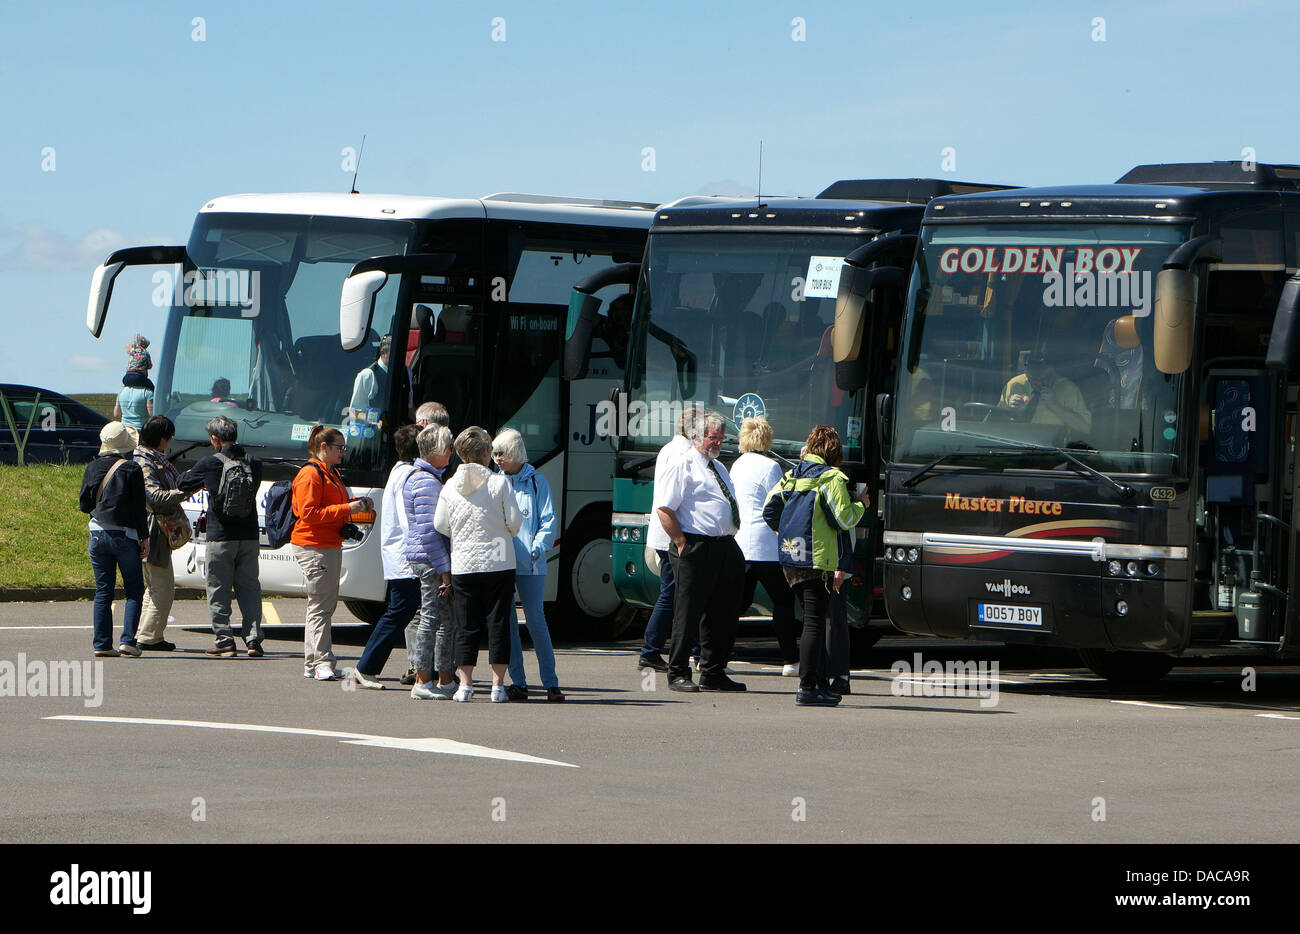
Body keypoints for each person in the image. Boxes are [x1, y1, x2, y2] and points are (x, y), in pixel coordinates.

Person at [763, 425, 869, 707]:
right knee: (814, 622)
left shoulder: (793, 473)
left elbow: (769, 509)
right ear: (834, 451)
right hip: (817, 558)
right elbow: (843, 519)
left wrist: (784, 532)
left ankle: (819, 683)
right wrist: (861, 505)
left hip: (789, 557)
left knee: (811, 619)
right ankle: (808, 687)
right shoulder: (832, 477)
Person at [656, 411, 746, 693]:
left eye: (720, 437)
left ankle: (714, 670)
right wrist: (681, 542)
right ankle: (678, 671)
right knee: (688, 611)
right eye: (712, 436)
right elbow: (664, 508)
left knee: (724, 612)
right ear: (697, 436)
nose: (717, 442)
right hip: (695, 544)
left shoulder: (718, 467)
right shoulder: (683, 465)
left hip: (723, 544)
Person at [433, 426, 522, 702]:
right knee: (498, 623)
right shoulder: (500, 483)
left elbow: (440, 524)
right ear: (486, 453)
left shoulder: (449, 486)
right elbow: (516, 523)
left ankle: (466, 685)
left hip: (463, 564)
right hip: (499, 563)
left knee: (466, 623)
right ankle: (498, 686)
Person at [178, 415, 266, 658]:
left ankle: (225, 641)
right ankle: (253, 640)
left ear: (215, 439)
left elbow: (183, 483)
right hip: (248, 536)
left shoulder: (210, 463)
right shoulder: (254, 463)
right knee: (250, 588)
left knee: (218, 589)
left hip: (221, 536)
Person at [291, 425, 372, 680]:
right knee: (320, 606)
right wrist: (349, 509)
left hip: (327, 544)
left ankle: (314, 662)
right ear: (323, 447)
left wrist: (353, 504)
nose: (343, 452)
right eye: (339, 448)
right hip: (314, 545)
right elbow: (309, 514)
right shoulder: (311, 474)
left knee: (322, 604)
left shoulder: (329, 472)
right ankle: (320, 662)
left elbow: (327, 506)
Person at [492, 428, 564, 703]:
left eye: (503, 453)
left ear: (517, 454)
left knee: (536, 621)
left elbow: (548, 521)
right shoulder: (495, 482)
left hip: (531, 565)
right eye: (495, 453)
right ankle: (517, 682)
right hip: (501, 563)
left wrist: (536, 549)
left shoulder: (537, 482)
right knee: (507, 623)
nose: (497, 458)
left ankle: (551, 683)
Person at [349, 424, 422, 690]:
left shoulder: (399, 470)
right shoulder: (410, 475)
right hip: (406, 556)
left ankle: (371, 666)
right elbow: (408, 519)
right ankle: (366, 666)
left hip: (399, 554)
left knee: (402, 610)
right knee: (400, 611)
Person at [730, 416, 799, 676]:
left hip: (740, 544)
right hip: (767, 545)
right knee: (782, 602)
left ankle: (713, 654)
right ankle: (791, 660)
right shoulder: (771, 467)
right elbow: (778, 503)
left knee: (735, 604)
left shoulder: (736, 465)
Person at [637, 406, 700, 672]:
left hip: (665, 534)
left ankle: (694, 651)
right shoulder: (685, 454)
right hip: (674, 535)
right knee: (675, 593)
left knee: (682, 593)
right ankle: (651, 650)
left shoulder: (667, 449)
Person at [79, 422, 149, 657]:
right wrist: (144, 537)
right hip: (125, 535)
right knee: (134, 589)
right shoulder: (131, 469)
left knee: (103, 591)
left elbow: (83, 505)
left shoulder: (92, 468)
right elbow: (140, 508)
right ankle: (128, 641)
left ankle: (101, 644)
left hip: (97, 533)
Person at [401, 399, 454, 685]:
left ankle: (440, 678)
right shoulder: (426, 481)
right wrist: (445, 570)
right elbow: (429, 532)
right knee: (431, 619)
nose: (450, 453)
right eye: (447, 448)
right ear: (434, 452)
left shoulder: (426, 477)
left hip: (425, 557)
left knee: (437, 619)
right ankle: (424, 679)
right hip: (429, 559)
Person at [133, 415, 188, 651]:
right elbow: (154, 497)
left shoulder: (149, 458)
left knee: (154, 586)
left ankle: (145, 633)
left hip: (150, 528)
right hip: (153, 529)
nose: (171, 441)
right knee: (163, 587)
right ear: (162, 439)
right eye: (169, 437)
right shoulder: (145, 461)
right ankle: (150, 637)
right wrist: (184, 491)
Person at [999, 351, 1091, 435]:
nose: (1038, 383)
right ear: (1026, 373)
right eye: (1034, 379)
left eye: (1043, 378)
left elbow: (1085, 428)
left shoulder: (1068, 389)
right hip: (1015, 446)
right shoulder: (1015, 385)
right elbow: (993, 423)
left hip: (1051, 449)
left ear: (1052, 371)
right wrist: (1009, 410)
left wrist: (1055, 405)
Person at [114, 334, 154, 430]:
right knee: (152, 387)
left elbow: (116, 414)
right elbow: (149, 366)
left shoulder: (121, 392)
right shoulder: (145, 352)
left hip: (127, 376)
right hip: (139, 376)